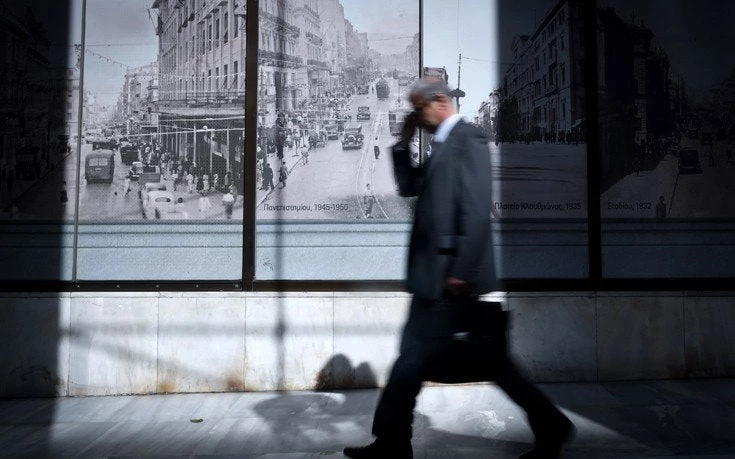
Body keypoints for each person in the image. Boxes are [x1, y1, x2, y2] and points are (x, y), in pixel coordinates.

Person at [343, 78, 573, 459]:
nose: (418, 117)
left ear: (439, 102)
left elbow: (477, 207)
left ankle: (550, 424)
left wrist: (461, 270)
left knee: (473, 362)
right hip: (434, 279)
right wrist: (402, 143)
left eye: (419, 109)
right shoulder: (442, 144)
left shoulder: (468, 139)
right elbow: (409, 186)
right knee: (418, 361)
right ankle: (393, 440)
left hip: (450, 279)